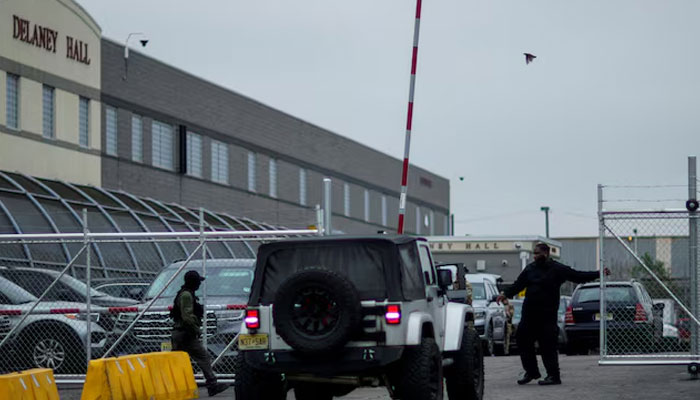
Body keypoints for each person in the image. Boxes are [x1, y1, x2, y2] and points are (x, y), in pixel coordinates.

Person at [496, 243, 609, 386]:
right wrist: (504, 294)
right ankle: (531, 371)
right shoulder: (530, 269)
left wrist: (598, 273)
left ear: (546, 253)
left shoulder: (557, 269)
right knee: (522, 339)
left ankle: (553, 376)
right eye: (534, 254)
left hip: (547, 315)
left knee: (547, 345)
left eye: (537, 253)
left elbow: (577, 275)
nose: (535, 256)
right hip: (529, 314)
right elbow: (518, 285)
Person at [171, 270, 230, 397]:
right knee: (203, 356)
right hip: (185, 334)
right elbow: (187, 317)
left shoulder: (185, 293)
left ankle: (174, 386)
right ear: (194, 282)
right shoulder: (186, 295)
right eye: (198, 282)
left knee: (178, 362)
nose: (199, 285)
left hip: (180, 333)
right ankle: (212, 385)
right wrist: (196, 330)